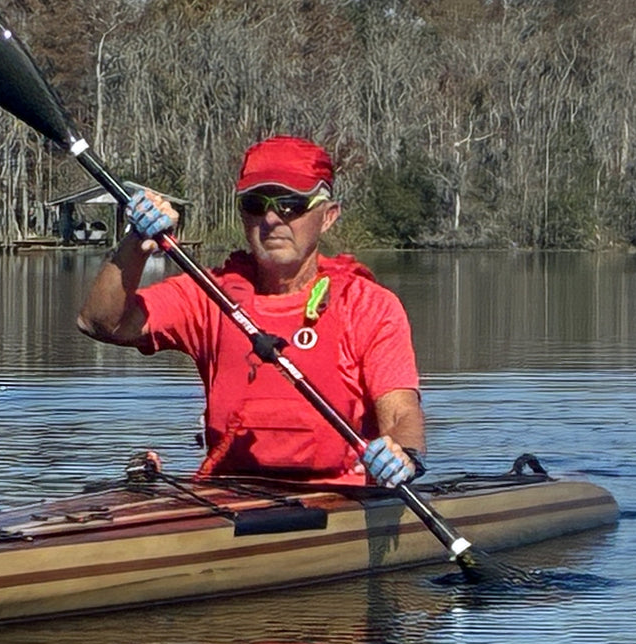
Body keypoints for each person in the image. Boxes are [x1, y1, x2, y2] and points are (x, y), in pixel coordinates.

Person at [76, 135, 425, 488]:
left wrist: (403, 454)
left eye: (290, 204)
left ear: (328, 216)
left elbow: (401, 413)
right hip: (226, 493)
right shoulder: (209, 294)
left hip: (339, 496)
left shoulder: (368, 305)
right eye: (256, 204)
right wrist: (135, 244)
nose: (271, 219)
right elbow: (101, 323)